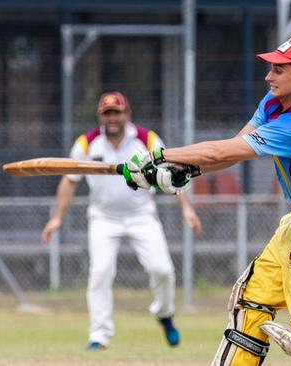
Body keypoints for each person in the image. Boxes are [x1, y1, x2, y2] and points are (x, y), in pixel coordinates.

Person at [122, 38, 291, 366]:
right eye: (270, 67)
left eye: (279, 69)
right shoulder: (275, 103)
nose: (269, 76)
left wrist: (159, 156)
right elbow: (236, 147)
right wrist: (185, 169)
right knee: (252, 301)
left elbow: (223, 151)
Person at [41, 91, 202, 350]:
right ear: (100, 117)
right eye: (107, 113)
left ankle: (164, 314)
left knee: (162, 270)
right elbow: (69, 182)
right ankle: (99, 335)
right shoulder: (86, 144)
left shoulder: (147, 139)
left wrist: (187, 209)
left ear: (127, 114)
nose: (112, 118)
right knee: (100, 272)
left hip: (142, 215)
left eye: (117, 112)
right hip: (103, 218)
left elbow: (172, 173)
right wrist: (57, 218)